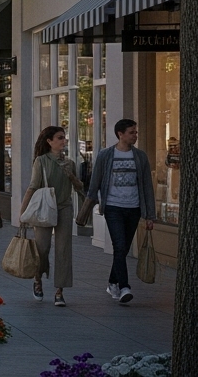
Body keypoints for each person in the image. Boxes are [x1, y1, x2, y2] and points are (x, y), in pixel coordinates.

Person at [86, 118, 156, 305]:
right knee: (119, 245)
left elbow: (147, 186)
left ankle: (112, 282)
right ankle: (125, 287)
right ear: (120, 134)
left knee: (123, 248)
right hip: (113, 208)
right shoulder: (106, 155)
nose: (135, 135)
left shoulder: (140, 157)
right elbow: (95, 182)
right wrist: (89, 205)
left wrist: (150, 215)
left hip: (133, 208)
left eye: (136, 132)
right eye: (132, 132)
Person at [21, 125, 86, 307]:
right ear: (49, 141)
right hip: (45, 208)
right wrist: (23, 213)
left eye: (64, 137)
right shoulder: (41, 161)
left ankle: (60, 291)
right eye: (59, 138)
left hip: (64, 207)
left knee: (63, 249)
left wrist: (71, 175)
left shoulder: (70, 163)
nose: (63, 141)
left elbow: (79, 187)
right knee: (42, 248)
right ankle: (38, 281)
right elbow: (33, 186)